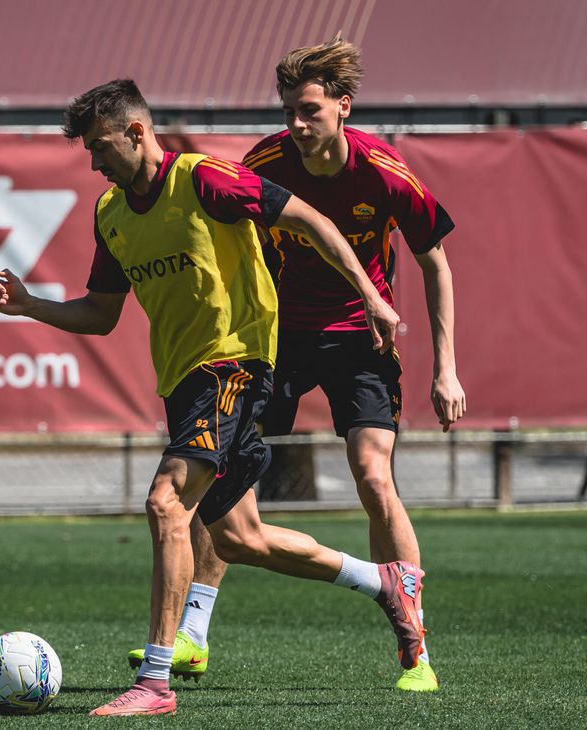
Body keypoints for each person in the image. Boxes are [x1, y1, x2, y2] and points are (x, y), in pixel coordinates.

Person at [0, 79, 427, 717]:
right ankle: (383, 580)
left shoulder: (205, 180)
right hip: (184, 382)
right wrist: (32, 308)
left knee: (166, 504)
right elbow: (102, 314)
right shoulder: (111, 214)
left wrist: (369, 292)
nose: (94, 162)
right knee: (242, 537)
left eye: (100, 147)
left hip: (236, 364)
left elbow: (309, 217)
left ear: (137, 133)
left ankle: (156, 682)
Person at [128, 37, 465, 693]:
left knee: (372, 476)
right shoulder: (267, 160)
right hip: (276, 336)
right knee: (220, 479)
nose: (296, 124)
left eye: (310, 110)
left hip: (358, 338)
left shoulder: (387, 172)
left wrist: (445, 369)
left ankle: (415, 649)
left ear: (344, 106)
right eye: (289, 110)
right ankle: (193, 635)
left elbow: (435, 260)